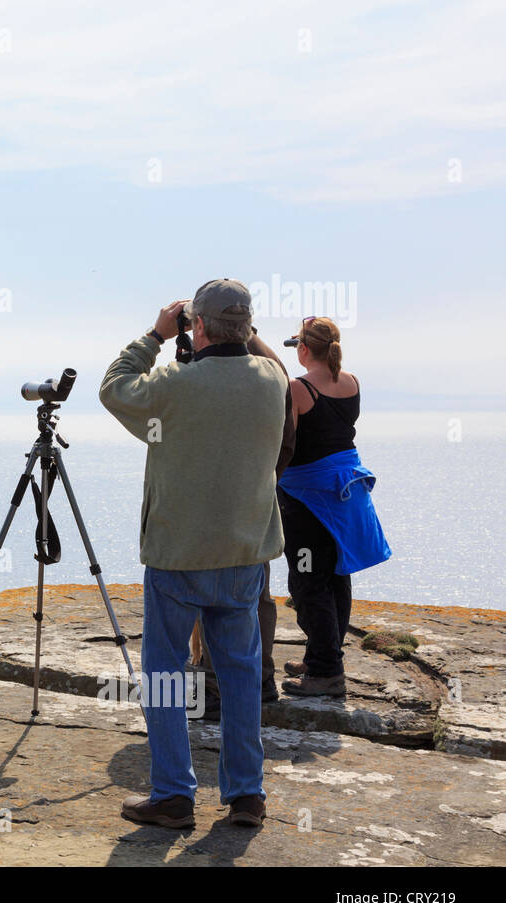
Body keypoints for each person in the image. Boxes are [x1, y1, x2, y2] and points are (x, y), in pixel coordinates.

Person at [100, 278, 286, 829]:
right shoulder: (273, 380)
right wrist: (239, 331)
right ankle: (247, 794)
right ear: (248, 328)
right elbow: (262, 356)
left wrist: (157, 333)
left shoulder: (174, 385)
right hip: (245, 551)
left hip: (178, 554)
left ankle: (175, 796)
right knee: (241, 674)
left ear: (196, 325)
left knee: (164, 674)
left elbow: (114, 387)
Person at [278, 317, 391, 697]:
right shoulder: (351, 382)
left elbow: (287, 445)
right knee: (335, 577)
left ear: (304, 349)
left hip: (309, 499)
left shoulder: (298, 388)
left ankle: (326, 672)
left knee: (308, 581)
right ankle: (322, 656)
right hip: (345, 495)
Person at [191, 330, 296, 713]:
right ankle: (260, 678)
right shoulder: (273, 368)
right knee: (257, 594)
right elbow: (287, 439)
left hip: (209, 506)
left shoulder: (212, 367)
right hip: (256, 501)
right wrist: (265, 481)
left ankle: (213, 686)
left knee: (207, 593)